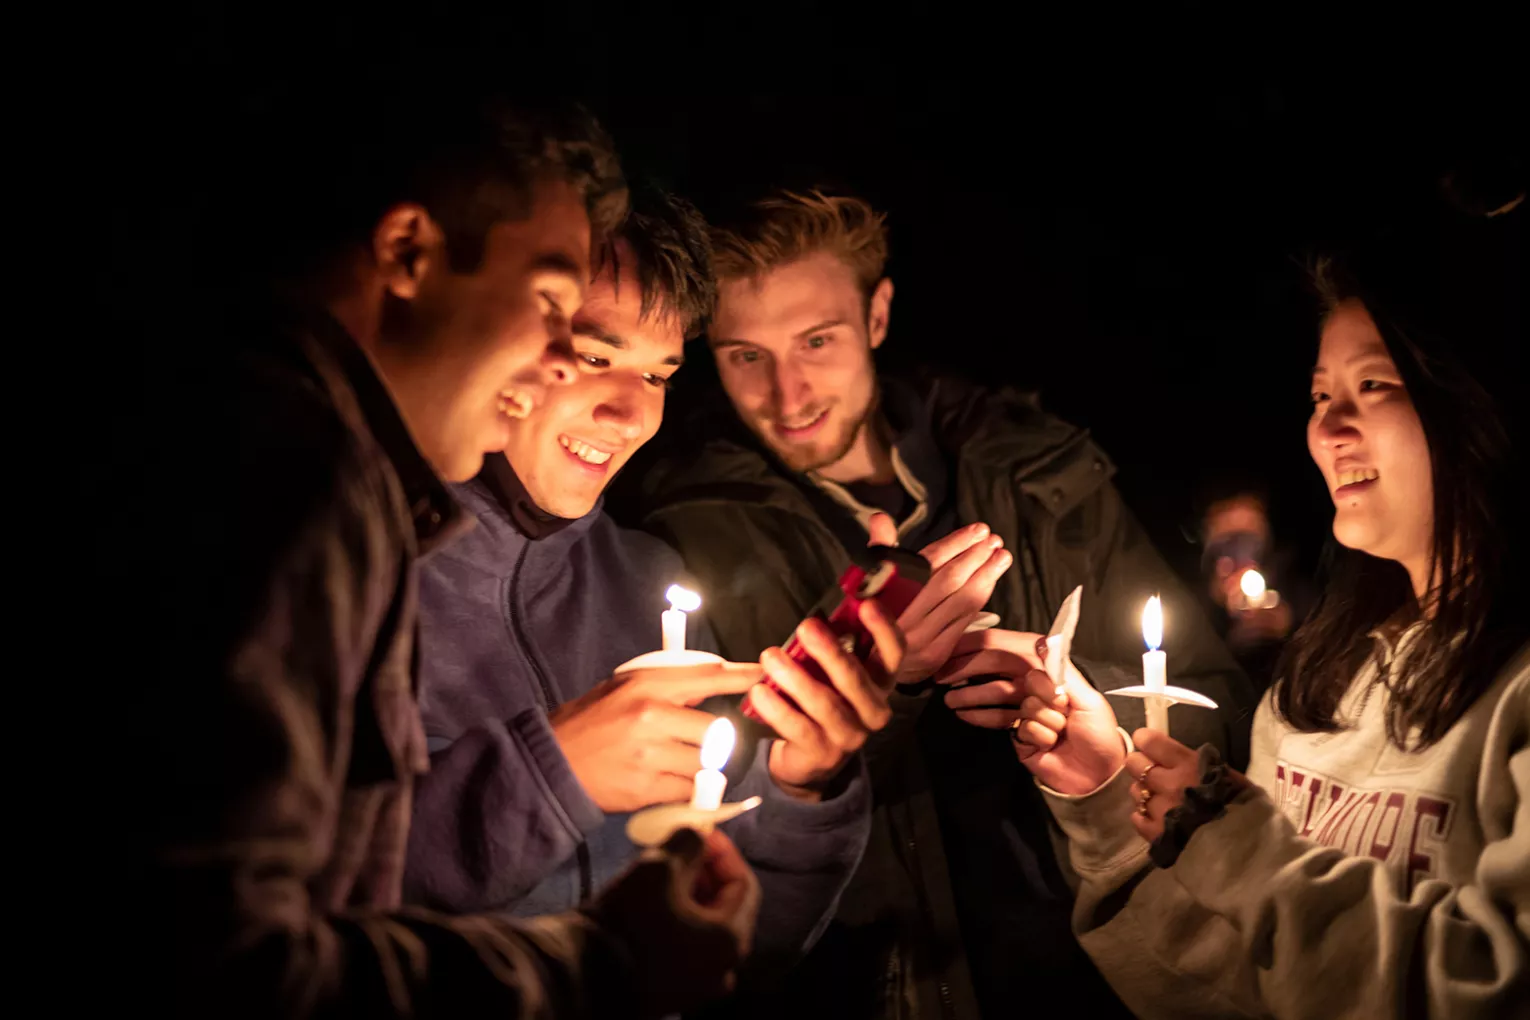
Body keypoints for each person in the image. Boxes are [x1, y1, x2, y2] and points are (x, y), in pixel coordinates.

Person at [127, 96, 761, 1019]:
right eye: (553, 306)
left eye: (661, 372)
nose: (557, 362)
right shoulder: (282, 478)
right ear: (407, 253)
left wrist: (803, 783)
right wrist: (596, 966)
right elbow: (221, 966)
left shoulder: (333, 481)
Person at [611, 188, 1255, 1018]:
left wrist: (1071, 694)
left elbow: (1221, 710)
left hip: (1106, 970)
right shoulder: (689, 529)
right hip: (883, 983)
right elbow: (717, 811)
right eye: (745, 356)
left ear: (877, 315)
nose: (788, 390)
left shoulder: (1039, 473)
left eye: (817, 340)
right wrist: (875, 676)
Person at [999, 231, 1529, 1017]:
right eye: (1320, 396)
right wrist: (1108, 792)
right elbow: (1232, 978)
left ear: (1479, 401)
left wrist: (1228, 838)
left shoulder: (1512, 691)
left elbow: (1491, 984)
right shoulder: (1320, 683)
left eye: (1376, 386)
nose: (1331, 428)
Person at [404, 183, 899, 979]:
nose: (632, 414)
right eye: (596, 357)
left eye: (660, 374)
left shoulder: (648, 582)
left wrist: (801, 792)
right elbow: (279, 909)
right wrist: (549, 775)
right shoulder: (356, 574)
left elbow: (750, 942)